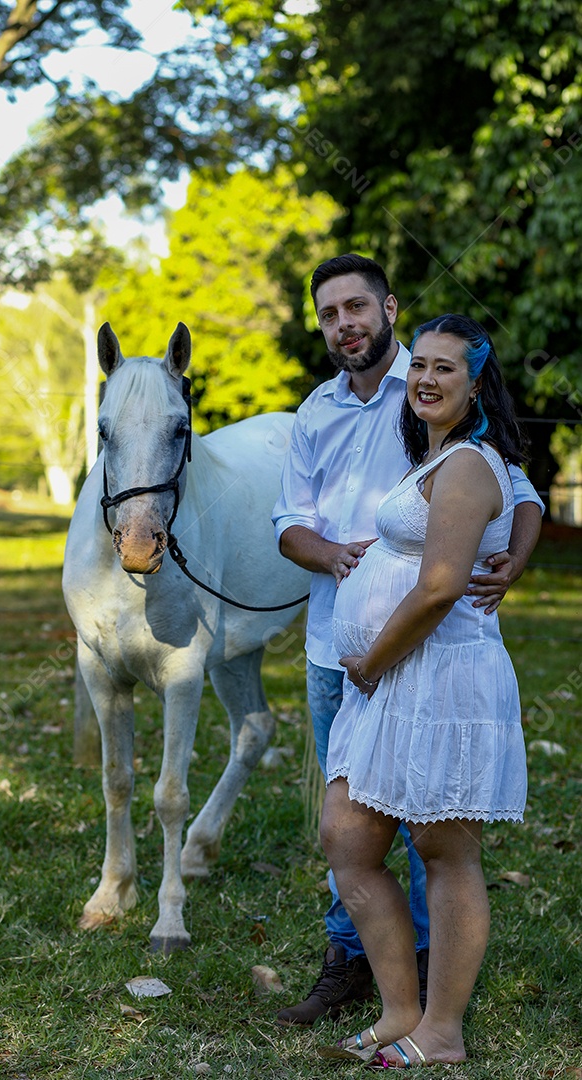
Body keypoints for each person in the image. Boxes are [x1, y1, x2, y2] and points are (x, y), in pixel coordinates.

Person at [271, 255, 543, 1028]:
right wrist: (330, 556)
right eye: (329, 313)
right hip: (341, 658)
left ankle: (432, 994)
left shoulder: (438, 412)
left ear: (387, 307)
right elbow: (287, 523)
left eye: (357, 306)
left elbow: (510, 495)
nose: (345, 323)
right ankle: (353, 966)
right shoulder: (318, 412)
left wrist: (516, 564)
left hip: (421, 664)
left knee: (433, 837)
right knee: (350, 835)